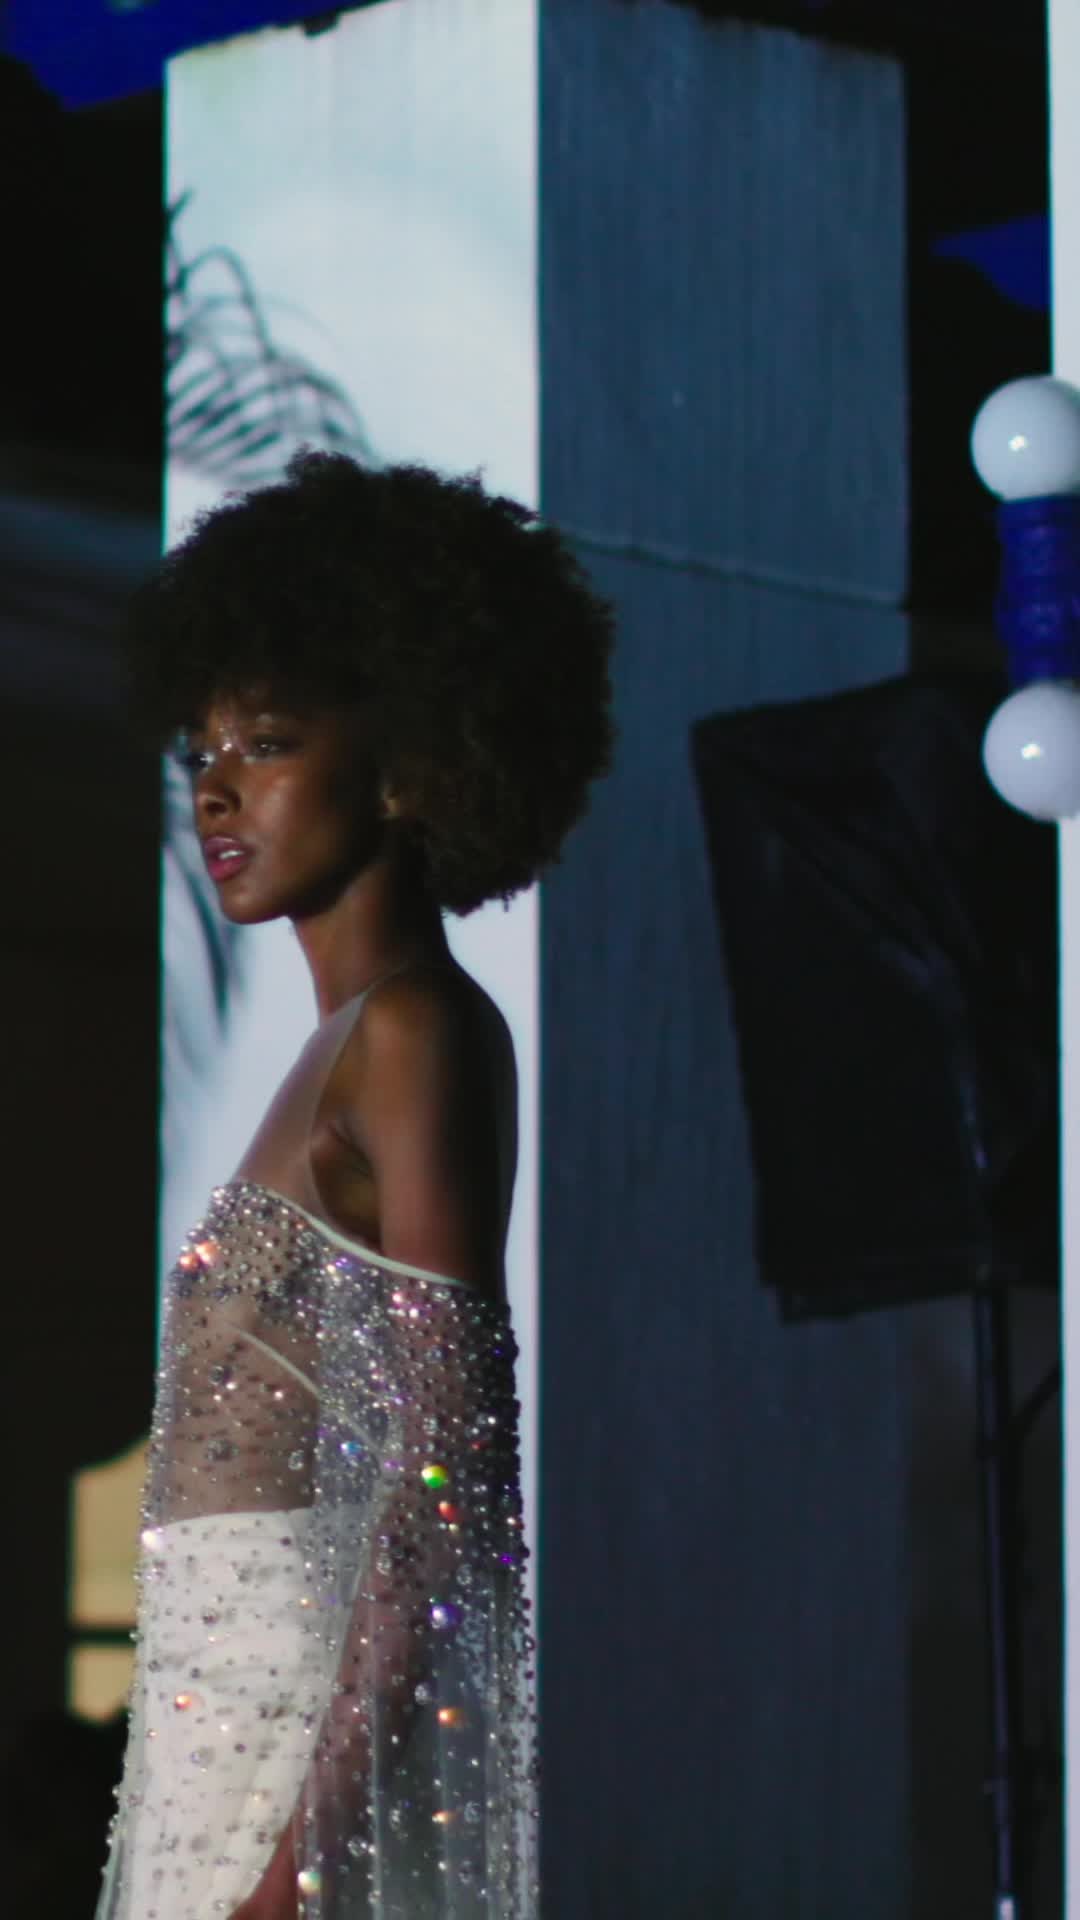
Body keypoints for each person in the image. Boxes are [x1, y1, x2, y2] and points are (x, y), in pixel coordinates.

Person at [96, 451, 614, 1920]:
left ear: (405, 765)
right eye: (201, 747)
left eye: (265, 742)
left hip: (294, 1771)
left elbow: (448, 1478)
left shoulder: (412, 1031)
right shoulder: (341, 1047)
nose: (216, 787)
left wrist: (294, 1869)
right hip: (215, 1736)